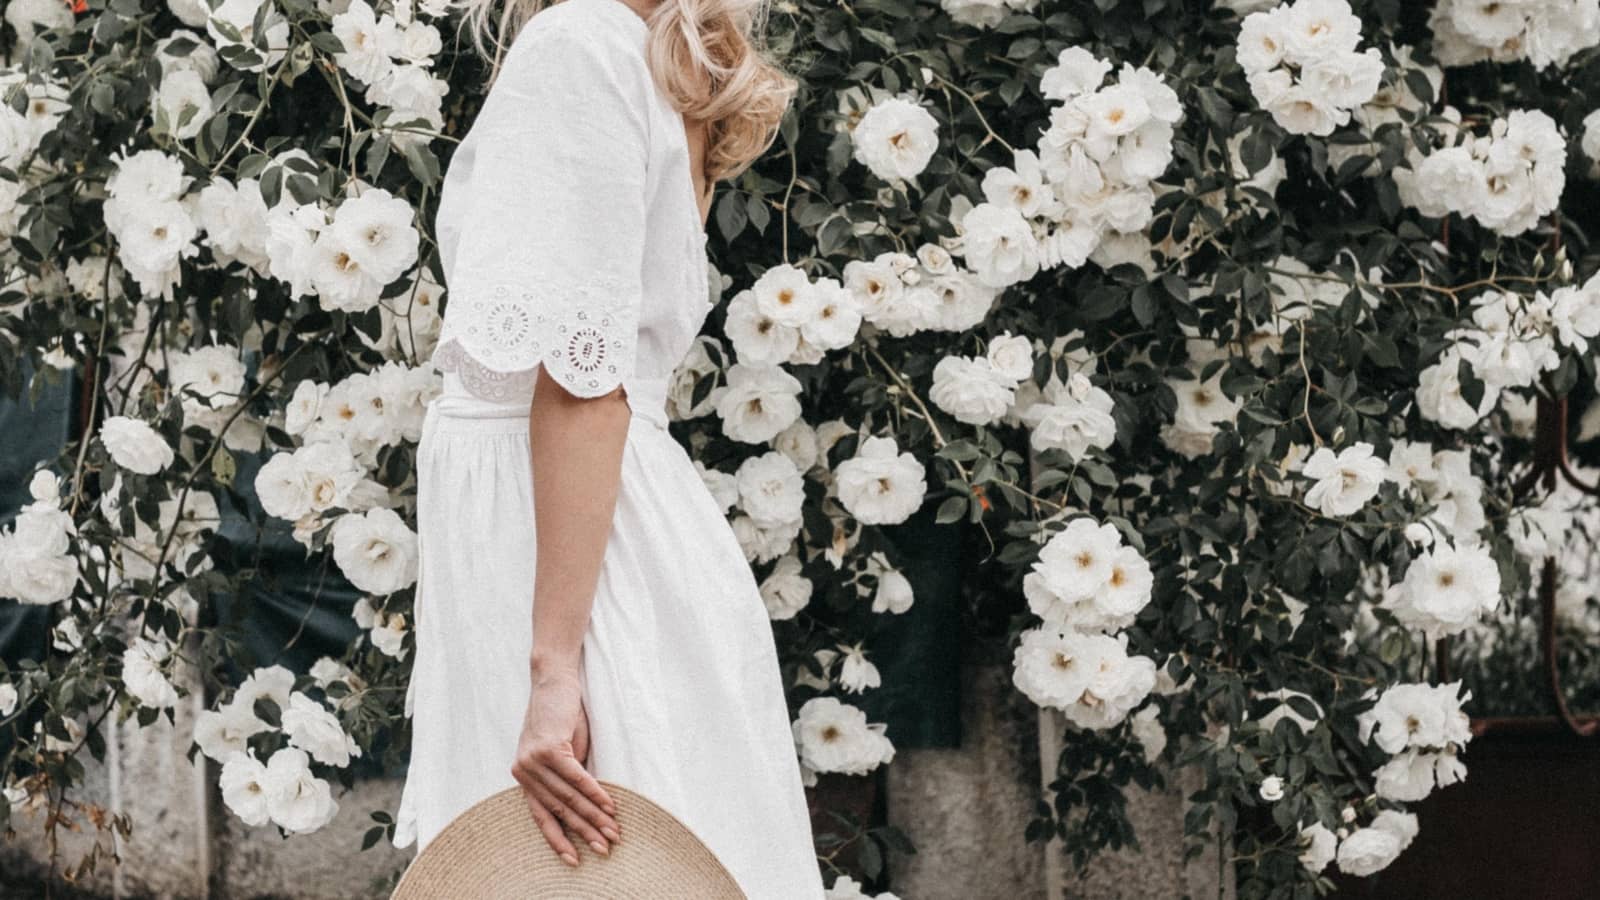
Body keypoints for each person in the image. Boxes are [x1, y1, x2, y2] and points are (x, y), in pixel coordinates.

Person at [391, 0, 827, 896]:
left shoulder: (580, 46)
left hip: (569, 553)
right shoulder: (645, 54)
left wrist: (554, 668)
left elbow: (584, 386)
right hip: (593, 532)